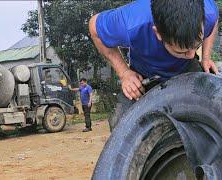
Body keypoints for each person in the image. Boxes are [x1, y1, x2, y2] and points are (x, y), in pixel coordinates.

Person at [89, 0, 219, 131]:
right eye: (182, 51)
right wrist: (124, 73)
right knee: (122, 125)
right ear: (158, 33)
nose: (191, 54)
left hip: (186, 68)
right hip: (145, 75)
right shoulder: (131, 23)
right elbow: (94, 27)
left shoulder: (209, 12)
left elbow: (214, 23)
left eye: (196, 46)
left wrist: (206, 57)